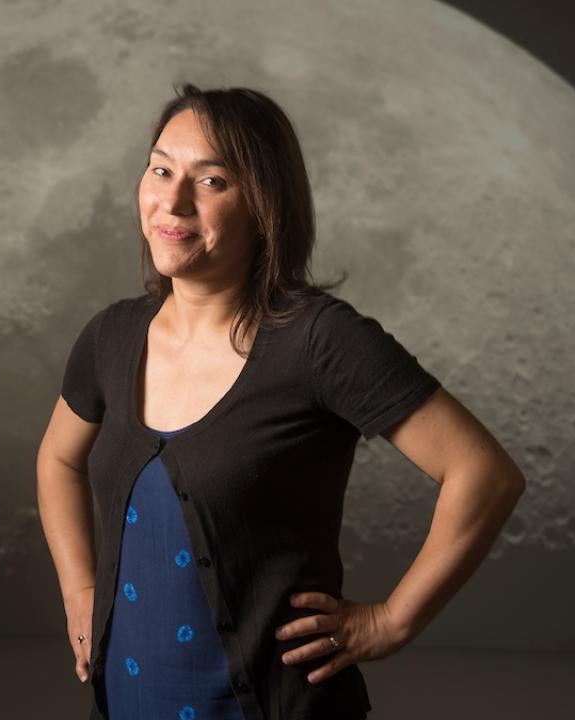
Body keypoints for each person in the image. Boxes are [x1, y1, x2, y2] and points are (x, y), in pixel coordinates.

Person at [36, 83, 526, 720]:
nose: (172, 202)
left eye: (212, 181)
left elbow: (485, 474)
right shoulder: (111, 336)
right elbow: (58, 461)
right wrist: (79, 589)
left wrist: (391, 621)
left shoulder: (320, 341)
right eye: (160, 170)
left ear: (264, 205)